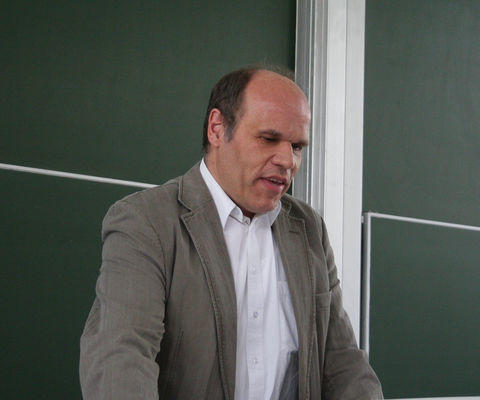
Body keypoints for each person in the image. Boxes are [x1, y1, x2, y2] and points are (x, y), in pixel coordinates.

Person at [80, 66, 382, 400]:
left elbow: (342, 362)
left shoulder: (309, 229)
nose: (287, 160)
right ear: (217, 128)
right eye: (268, 139)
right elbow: (120, 358)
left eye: (297, 146)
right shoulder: (148, 222)